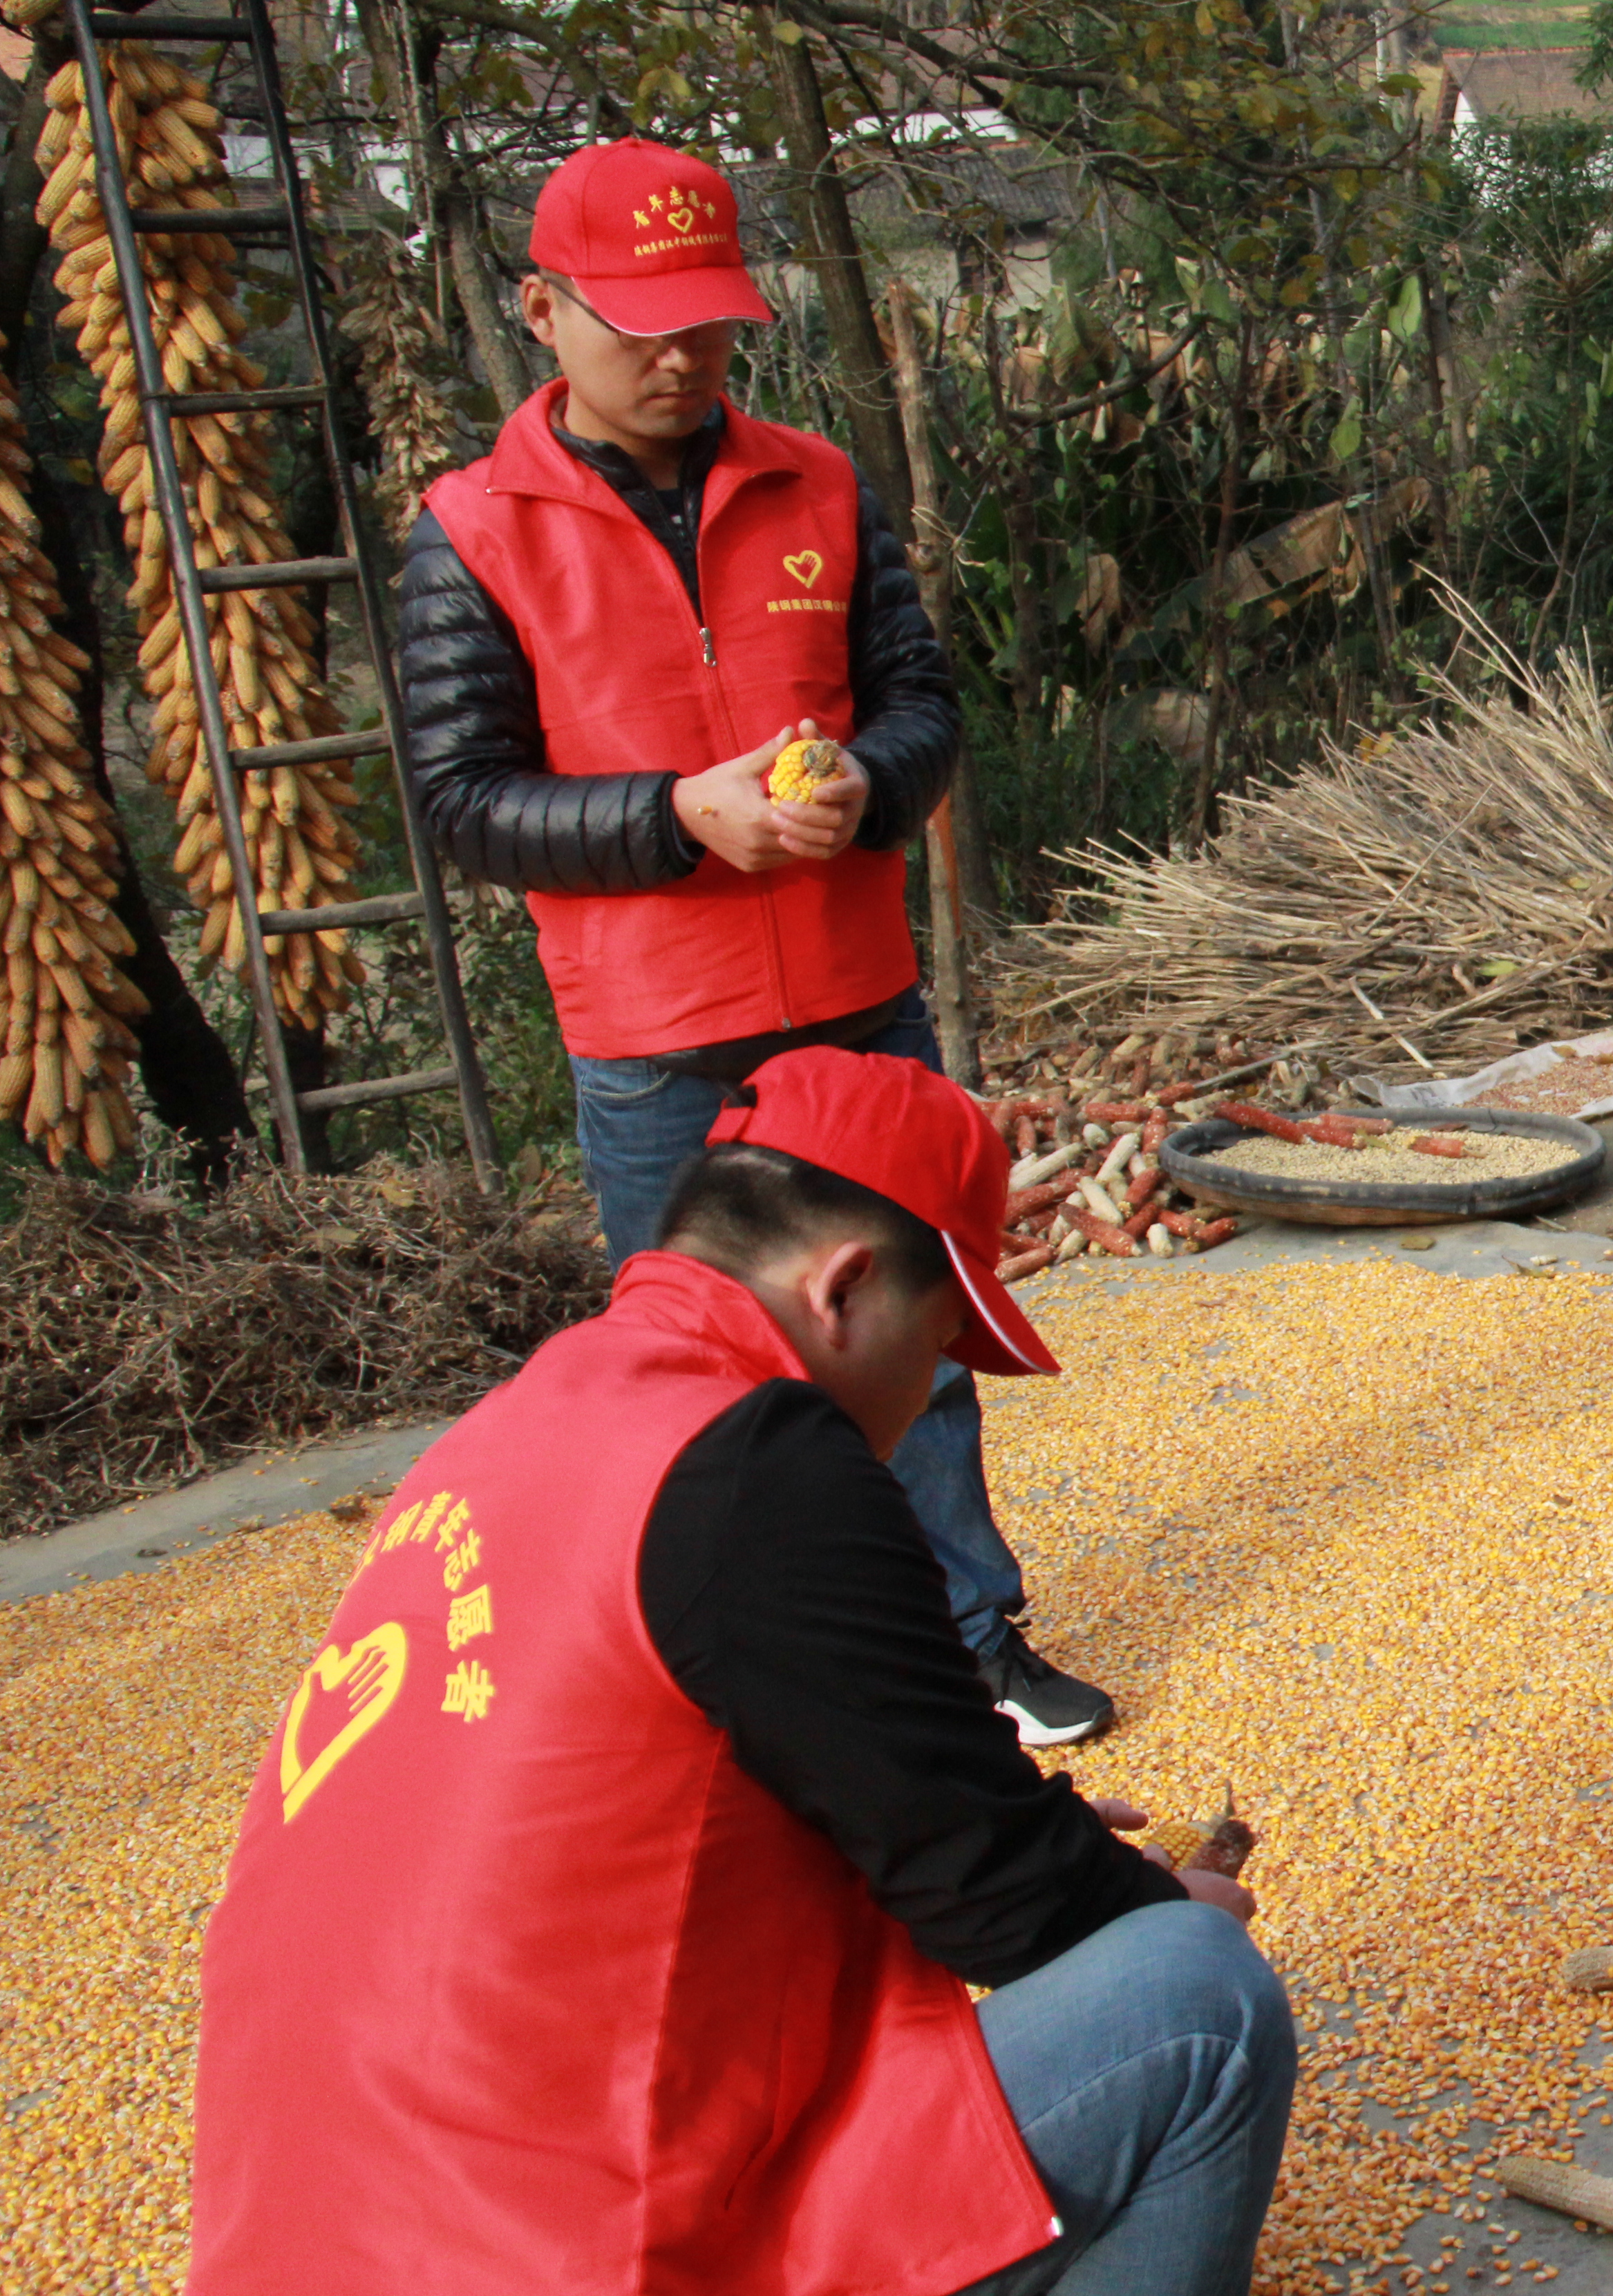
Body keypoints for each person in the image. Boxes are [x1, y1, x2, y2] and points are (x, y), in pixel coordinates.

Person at [183, 1048, 1294, 2296]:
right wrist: (1153, 1902)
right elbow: (997, 1898)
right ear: (844, 1289)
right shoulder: (764, 1462)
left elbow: (687, 1801)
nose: (926, 1406)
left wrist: (1003, 1819)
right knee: (1198, 2006)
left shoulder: (516, 1432)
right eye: (942, 1352)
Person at [394, 137, 1112, 1747]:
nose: (679, 356)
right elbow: (458, 800)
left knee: (910, 1335)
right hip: (652, 1025)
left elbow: (923, 707)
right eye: (640, 322)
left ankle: (968, 1640)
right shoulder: (474, 529)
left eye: (707, 324)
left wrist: (870, 784)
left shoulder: (820, 483)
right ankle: (746, 1687)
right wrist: (672, 815)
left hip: (855, 1000)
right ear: (540, 310)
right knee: (698, 1369)